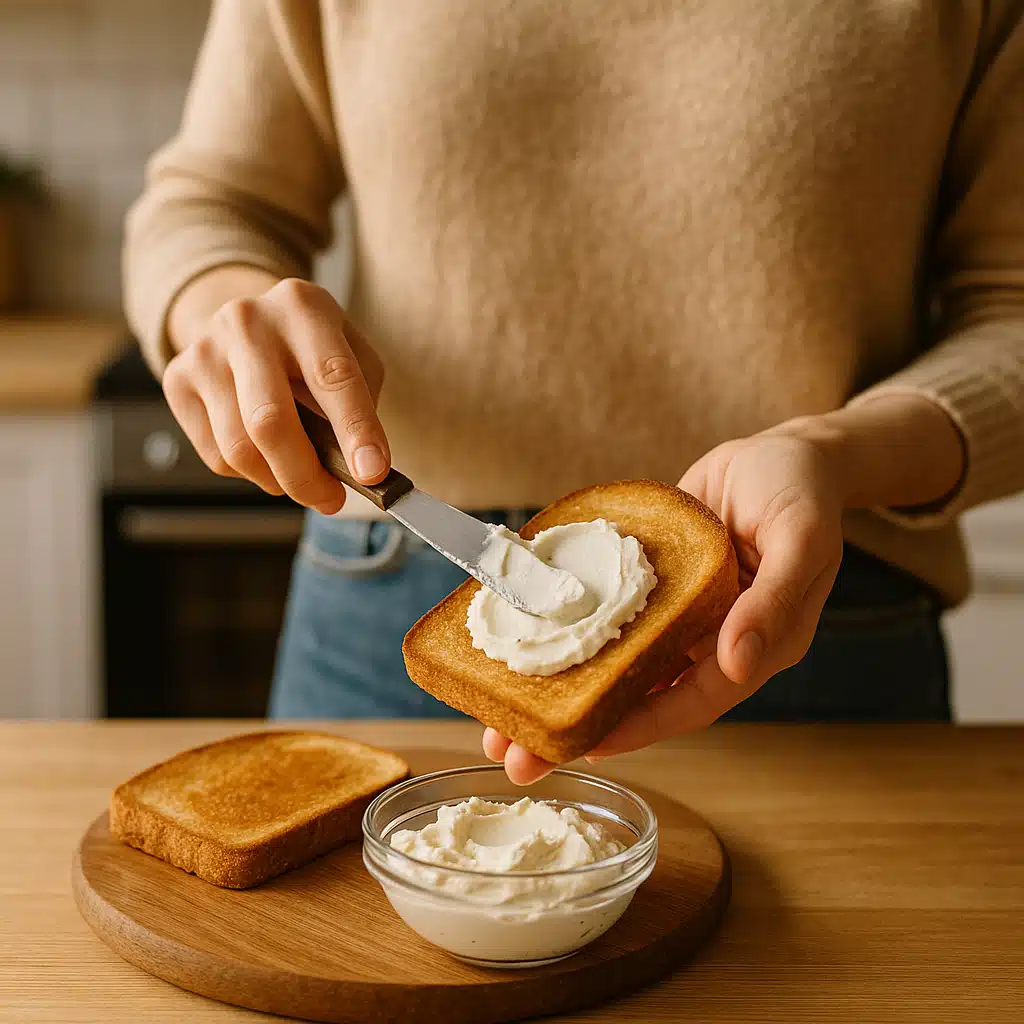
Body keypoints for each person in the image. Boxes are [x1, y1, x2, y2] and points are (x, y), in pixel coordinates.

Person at [124, 1, 1024, 784]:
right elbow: (209, 201)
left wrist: (837, 455)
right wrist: (226, 304)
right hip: (388, 603)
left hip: (811, 614)